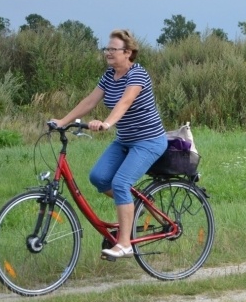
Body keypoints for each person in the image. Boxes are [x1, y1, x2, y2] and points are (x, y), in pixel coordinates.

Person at [52, 29, 167, 257]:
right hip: (125, 140)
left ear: (128, 53)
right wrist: (62, 122)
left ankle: (125, 243)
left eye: (113, 49)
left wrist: (106, 123)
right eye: (107, 49)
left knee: (121, 182)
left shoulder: (138, 75)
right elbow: (90, 101)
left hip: (149, 141)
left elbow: (125, 102)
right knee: (99, 178)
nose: (108, 53)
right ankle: (135, 204)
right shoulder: (108, 75)